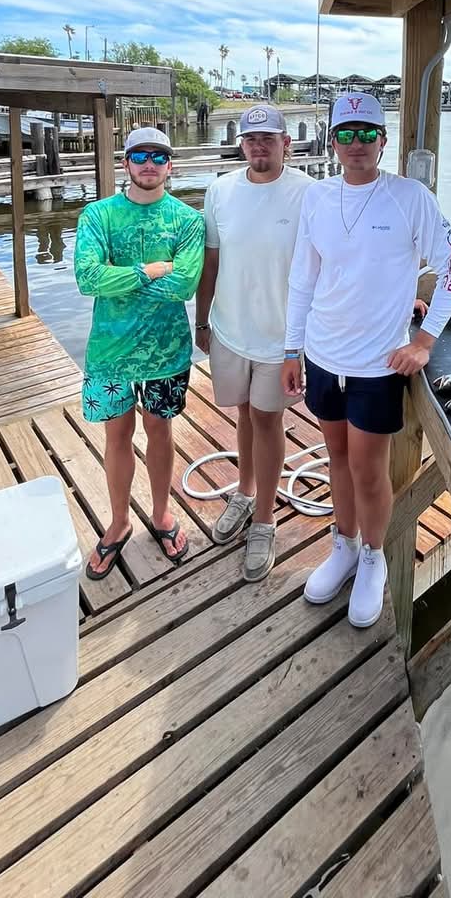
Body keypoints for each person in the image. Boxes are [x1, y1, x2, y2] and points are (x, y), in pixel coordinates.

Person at [282, 92, 451, 627]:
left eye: (368, 133)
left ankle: (372, 556)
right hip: (322, 356)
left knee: (369, 469)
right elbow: (303, 278)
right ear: (332, 141)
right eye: (346, 133)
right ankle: (342, 546)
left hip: (377, 365)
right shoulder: (317, 198)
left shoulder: (410, 197)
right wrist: (291, 349)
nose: (357, 143)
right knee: (337, 459)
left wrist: (424, 341)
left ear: (383, 141)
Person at [74, 125, 205, 579]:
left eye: (159, 156)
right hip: (109, 351)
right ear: (125, 163)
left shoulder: (188, 220)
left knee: (159, 429)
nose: (150, 164)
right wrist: (150, 270)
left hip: (166, 351)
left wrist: (122, 277)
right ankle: (118, 521)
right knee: (116, 434)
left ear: (171, 166)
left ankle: (162, 512)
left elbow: (183, 286)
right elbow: (88, 278)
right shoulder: (97, 215)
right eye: (140, 156)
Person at [194, 104, 312, 580]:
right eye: (251, 138)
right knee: (243, 412)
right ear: (240, 144)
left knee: (267, 418)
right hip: (229, 328)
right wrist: (201, 321)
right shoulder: (219, 190)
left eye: (268, 137)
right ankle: (245, 491)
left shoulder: (309, 192)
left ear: (286, 143)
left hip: (281, 338)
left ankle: (264, 518)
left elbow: (333, 259)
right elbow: (211, 260)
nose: (259, 145)